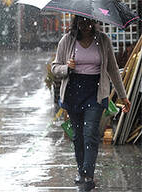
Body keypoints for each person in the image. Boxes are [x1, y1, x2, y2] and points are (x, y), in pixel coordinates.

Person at [51, 15, 131, 191]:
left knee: (91, 133)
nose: (86, 26)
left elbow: (113, 70)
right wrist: (67, 68)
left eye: (89, 22)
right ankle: (81, 171)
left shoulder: (103, 41)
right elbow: (55, 67)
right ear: (76, 23)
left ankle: (88, 175)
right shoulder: (67, 40)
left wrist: (123, 96)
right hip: (73, 93)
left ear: (95, 22)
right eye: (82, 22)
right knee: (78, 136)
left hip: (95, 93)